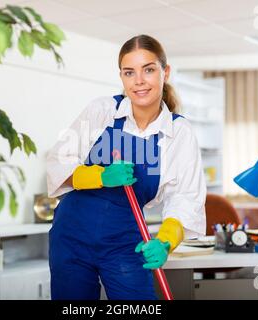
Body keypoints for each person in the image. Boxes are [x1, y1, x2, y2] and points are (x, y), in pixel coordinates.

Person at [46, 34, 206, 300]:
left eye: (149, 70)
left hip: (125, 243)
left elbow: (186, 197)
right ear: (121, 77)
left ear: (165, 73)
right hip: (71, 236)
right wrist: (100, 175)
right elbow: (58, 163)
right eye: (129, 72)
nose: (139, 81)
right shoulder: (102, 111)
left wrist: (166, 240)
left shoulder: (179, 132)